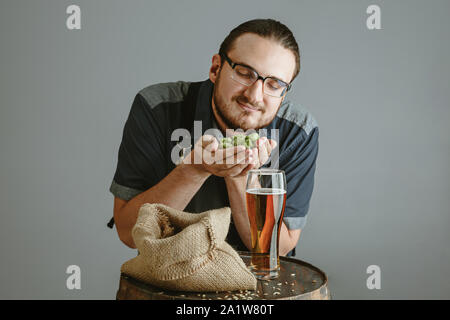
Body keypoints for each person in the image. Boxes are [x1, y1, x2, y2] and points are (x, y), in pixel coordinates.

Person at [108, 19, 319, 257]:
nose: (254, 95)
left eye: (274, 84)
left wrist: (242, 175)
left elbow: (275, 249)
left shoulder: (299, 130)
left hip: (259, 283)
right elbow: (128, 232)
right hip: (170, 277)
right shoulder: (157, 107)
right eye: (244, 73)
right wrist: (194, 169)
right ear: (216, 68)